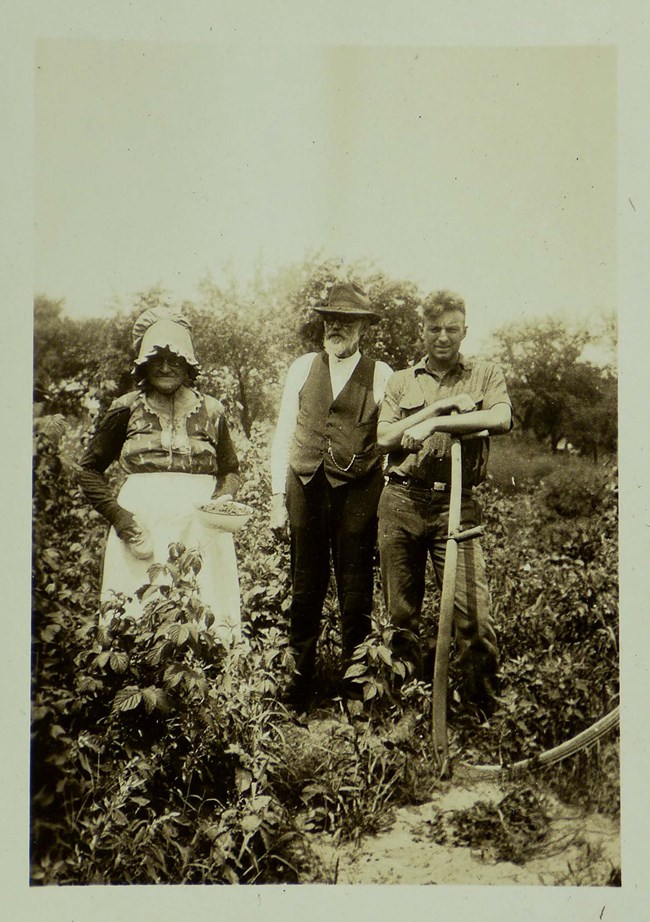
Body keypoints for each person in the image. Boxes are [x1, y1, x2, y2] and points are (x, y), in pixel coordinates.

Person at [377, 289, 512, 715]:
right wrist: (439, 406)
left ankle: (482, 709)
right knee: (401, 614)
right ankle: (407, 706)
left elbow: (500, 418)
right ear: (422, 331)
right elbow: (384, 438)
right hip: (400, 502)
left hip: (456, 503)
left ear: (465, 331)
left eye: (452, 329)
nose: (443, 337)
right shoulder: (401, 381)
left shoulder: (486, 374)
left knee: (473, 614)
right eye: (434, 328)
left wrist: (439, 422)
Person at [78, 308, 242, 641]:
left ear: (189, 364)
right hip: (142, 527)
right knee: (135, 613)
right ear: (143, 365)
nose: (166, 367)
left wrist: (220, 504)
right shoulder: (126, 407)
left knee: (204, 615)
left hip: (201, 529)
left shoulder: (212, 410)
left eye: (175, 359)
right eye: (157, 359)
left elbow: (231, 470)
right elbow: (88, 470)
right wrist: (122, 519)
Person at [270, 282, 393, 710]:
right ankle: (298, 682)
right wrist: (275, 497)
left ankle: (354, 685)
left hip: (358, 490)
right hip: (305, 484)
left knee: (355, 587)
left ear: (362, 328)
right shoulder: (303, 367)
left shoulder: (381, 374)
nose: (336, 327)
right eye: (330, 319)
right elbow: (284, 430)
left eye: (347, 320)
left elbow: (391, 439)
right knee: (305, 585)